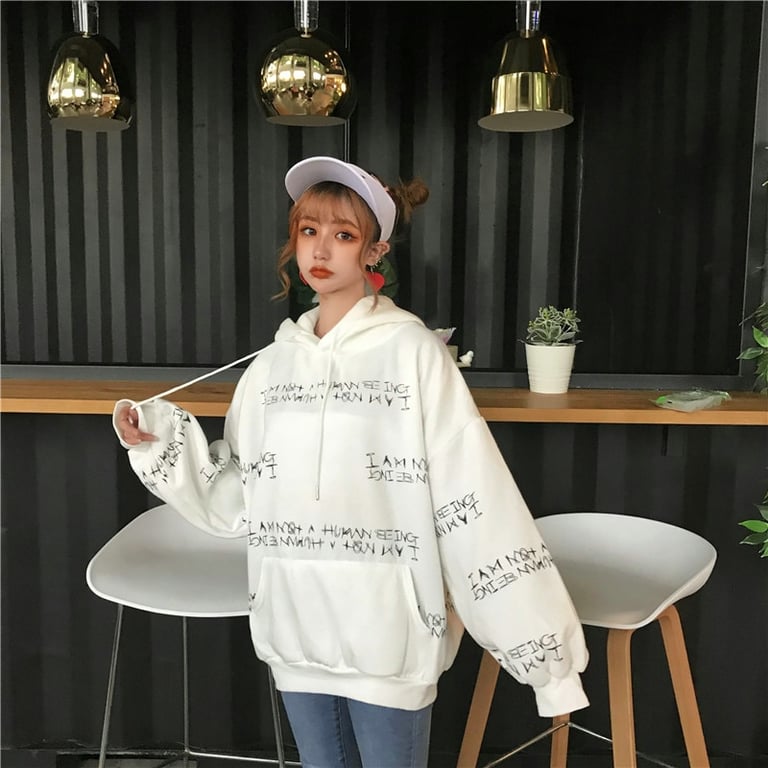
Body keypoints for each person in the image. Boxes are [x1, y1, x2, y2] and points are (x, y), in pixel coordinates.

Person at [114, 156, 589, 768]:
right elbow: (238, 501)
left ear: (374, 251)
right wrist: (156, 442)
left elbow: (474, 502)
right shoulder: (271, 368)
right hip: (295, 633)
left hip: (390, 640)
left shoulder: (413, 354)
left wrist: (547, 663)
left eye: (343, 235)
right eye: (308, 230)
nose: (321, 250)